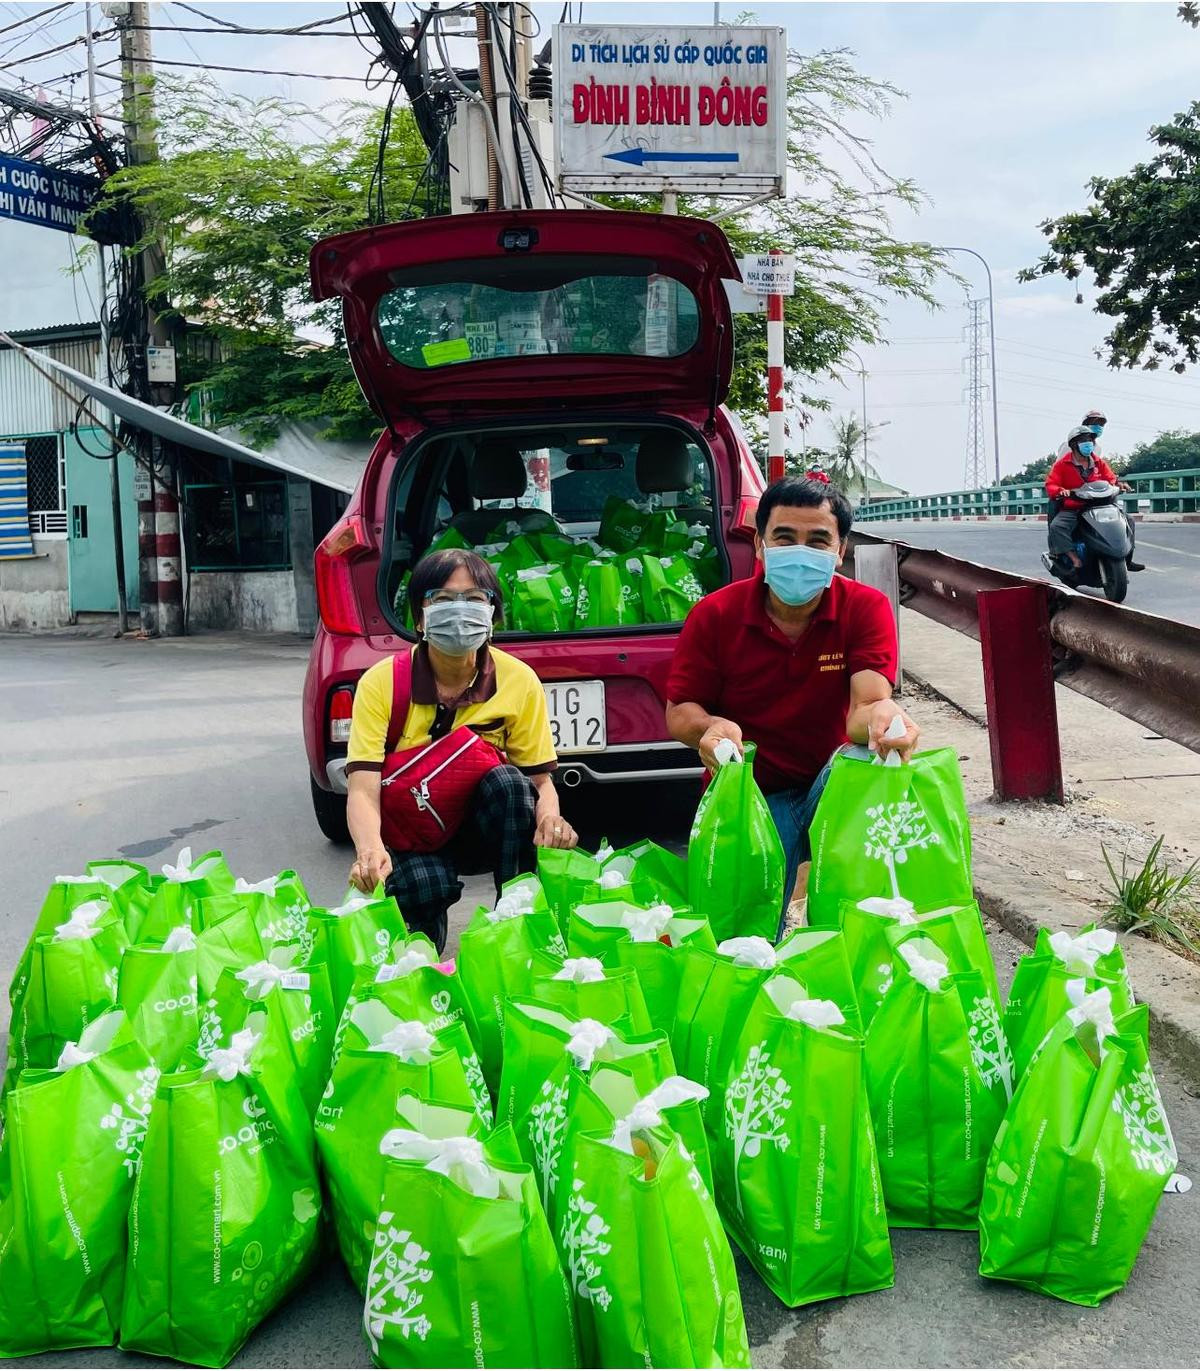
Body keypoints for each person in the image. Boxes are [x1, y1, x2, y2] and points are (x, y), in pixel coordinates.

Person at [665, 475, 919, 920]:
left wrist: (885, 716)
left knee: (862, 765)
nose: (801, 552)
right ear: (761, 546)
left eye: (818, 541)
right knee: (755, 928)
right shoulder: (715, 615)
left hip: (831, 786)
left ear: (840, 552)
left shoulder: (865, 608)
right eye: (785, 538)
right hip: (753, 792)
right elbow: (681, 712)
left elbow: (865, 708)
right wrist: (710, 729)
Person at [343, 549, 578, 950]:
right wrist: (370, 851)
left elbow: (541, 780)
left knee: (509, 783)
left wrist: (551, 820)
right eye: (442, 598)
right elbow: (363, 789)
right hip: (414, 831)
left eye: (474, 598)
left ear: (493, 616)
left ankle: (518, 923)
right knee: (420, 902)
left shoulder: (517, 680)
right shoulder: (383, 683)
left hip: (481, 829)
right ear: (419, 617)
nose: (459, 609)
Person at [1045, 425, 1143, 573]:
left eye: (1090, 439)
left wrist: (1119, 485)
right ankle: (1073, 558)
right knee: (1057, 526)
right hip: (1075, 506)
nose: (1088, 443)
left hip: (1101, 505)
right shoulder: (1061, 465)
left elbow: (1111, 478)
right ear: (1073, 445)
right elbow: (1051, 484)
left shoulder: (1098, 462)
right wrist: (1061, 491)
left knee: (1128, 520)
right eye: (1084, 440)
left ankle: (1127, 558)